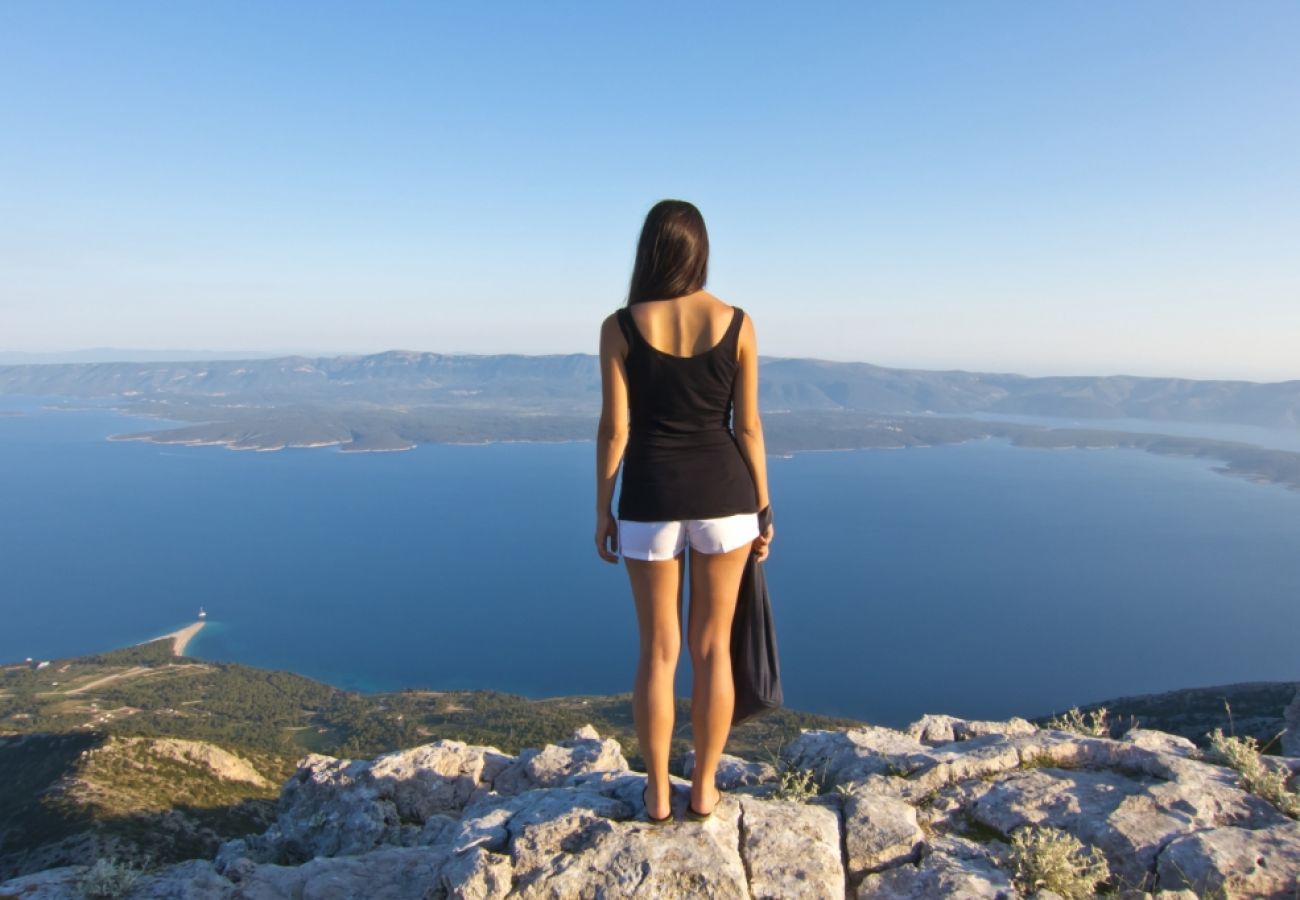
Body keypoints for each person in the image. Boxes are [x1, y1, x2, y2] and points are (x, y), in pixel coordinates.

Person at [594, 199, 773, 824]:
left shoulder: (619, 326)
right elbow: (747, 427)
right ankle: (704, 789)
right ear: (699, 251)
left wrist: (602, 510)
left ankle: (657, 795)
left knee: (658, 651)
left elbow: (615, 431)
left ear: (651, 250)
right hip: (727, 498)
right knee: (712, 649)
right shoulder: (738, 322)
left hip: (648, 496)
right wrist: (764, 507)